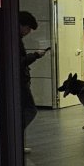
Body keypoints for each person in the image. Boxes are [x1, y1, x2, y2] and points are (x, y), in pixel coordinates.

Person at [18, 11, 49, 151]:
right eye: (28, 28)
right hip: (19, 82)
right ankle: (15, 135)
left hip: (21, 81)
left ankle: (17, 140)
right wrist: (35, 55)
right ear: (21, 25)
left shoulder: (15, 38)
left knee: (23, 111)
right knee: (29, 110)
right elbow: (19, 62)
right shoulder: (14, 40)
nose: (29, 32)